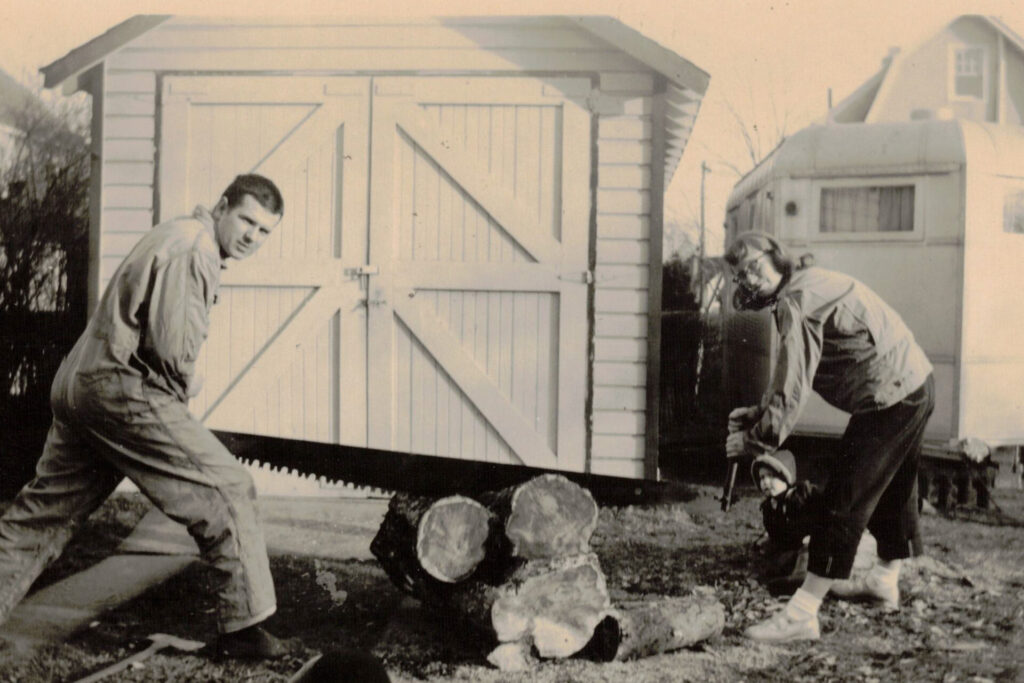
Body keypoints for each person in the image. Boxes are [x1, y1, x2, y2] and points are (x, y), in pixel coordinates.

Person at [0, 174, 294, 659]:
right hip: (120, 389)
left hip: (82, 382)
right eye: (247, 221)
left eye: (265, 232)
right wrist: (187, 387)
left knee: (42, 517)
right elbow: (173, 352)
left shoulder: (179, 233)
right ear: (221, 207)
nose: (252, 238)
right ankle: (244, 629)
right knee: (229, 487)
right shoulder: (196, 248)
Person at [724, 231, 934, 643]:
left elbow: (792, 388)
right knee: (894, 487)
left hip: (890, 394)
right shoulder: (805, 284)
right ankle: (884, 580)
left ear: (776, 256)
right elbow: (792, 370)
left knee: (845, 498)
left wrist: (754, 441)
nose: (750, 277)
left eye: (755, 265)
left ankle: (802, 614)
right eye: (741, 274)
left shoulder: (795, 301)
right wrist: (759, 412)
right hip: (916, 383)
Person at [750, 450, 817, 595]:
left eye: (771, 476)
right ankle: (788, 568)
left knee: (809, 547)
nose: (765, 482)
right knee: (774, 557)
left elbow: (823, 516)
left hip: (814, 539)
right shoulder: (770, 506)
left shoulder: (801, 497)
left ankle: (801, 577)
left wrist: (815, 534)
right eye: (762, 477)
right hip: (792, 543)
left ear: (786, 479)